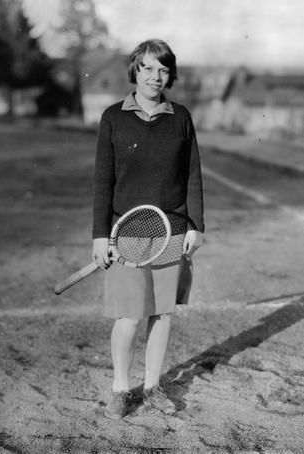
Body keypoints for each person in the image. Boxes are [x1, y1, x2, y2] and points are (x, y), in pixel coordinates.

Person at [92, 39, 204, 420]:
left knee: (163, 313)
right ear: (135, 70)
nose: (156, 77)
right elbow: (102, 181)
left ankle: (154, 385)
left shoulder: (181, 117)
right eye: (148, 68)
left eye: (163, 69)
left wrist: (195, 226)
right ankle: (121, 389)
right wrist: (99, 235)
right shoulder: (113, 117)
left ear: (170, 74)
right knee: (129, 316)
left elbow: (192, 175)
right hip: (126, 233)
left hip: (171, 230)